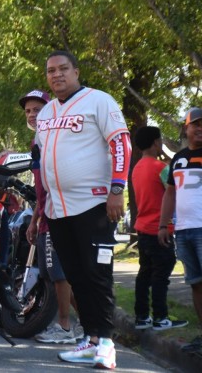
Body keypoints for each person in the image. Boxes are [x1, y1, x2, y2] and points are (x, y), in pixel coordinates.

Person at [35, 50, 131, 369]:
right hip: (57, 209)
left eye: (63, 69)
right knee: (76, 276)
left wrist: (117, 189)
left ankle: (106, 343)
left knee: (97, 274)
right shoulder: (46, 113)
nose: (57, 75)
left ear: (76, 72)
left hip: (95, 204)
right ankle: (90, 339)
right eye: (51, 71)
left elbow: (121, 144)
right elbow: (42, 158)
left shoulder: (99, 101)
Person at [21, 89, 84, 344]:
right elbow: (42, 188)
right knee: (54, 273)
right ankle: (90, 322)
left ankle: (65, 326)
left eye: (38, 110)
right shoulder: (36, 142)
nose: (32, 115)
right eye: (28, 111)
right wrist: (35, 220)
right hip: (46, 214)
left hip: (60, 214)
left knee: (60, 274)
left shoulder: (57, 139)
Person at [132, 125, 187, 331]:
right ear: (156, 142)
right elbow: (175, 193)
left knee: (144, 273)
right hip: (160, 229)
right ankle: (161, 317)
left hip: (142, 227)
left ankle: (142, 317)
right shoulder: (161, 168)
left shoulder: (136, 168)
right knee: (161, 275)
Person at [159, 108, 202, 354]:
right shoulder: (178, 158)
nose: (200, 129)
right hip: (183, 231)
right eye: (196, 124)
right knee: (196, 284)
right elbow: (170, 193)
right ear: (186, 129)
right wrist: (164, 225)